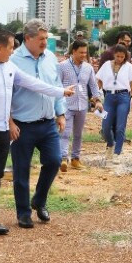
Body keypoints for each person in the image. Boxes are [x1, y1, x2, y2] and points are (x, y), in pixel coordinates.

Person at [0, 27, 74, 236]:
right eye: (10, 47)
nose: (13, 51)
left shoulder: (8, 66)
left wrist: (60, 92)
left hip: (2, 127)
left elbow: (33, 83)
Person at [9, 19, 67, 229]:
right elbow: (5, 94)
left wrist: (60, 113)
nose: (45, 42)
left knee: (54, 161)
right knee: (21, 171)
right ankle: (23, 213)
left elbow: (57, 86)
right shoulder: (13, 61)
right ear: (28, 39)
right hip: (22, 126)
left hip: (47, 123)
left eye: (46, 38)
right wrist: (9, 121)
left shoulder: (50, 58)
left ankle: (39, 201)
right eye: (41, 39)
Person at [58, 39, 103, 172]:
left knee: (78, 134)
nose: (83, 55)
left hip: (82, 105)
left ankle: (75, 159)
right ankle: (63, 158)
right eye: (81, 52)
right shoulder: (62, 66)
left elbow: (93, 86)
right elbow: (57, 85)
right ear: (73, 51)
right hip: (66, 105)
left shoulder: (88, 68)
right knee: (65, 133)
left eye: (85, 52)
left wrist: (98, 101)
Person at [96, 44, 132, 164]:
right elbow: (99, 80)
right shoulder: (106, 65)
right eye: (118, 56)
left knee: (120, 126)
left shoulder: (129, 67)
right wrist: (96, 95)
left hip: (123, 97)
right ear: (114, 54)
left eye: (122, 57)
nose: (120, 59)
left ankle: (117, 152)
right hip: (108, 97)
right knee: (105, 126)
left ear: (125, 56)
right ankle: (110, 144)